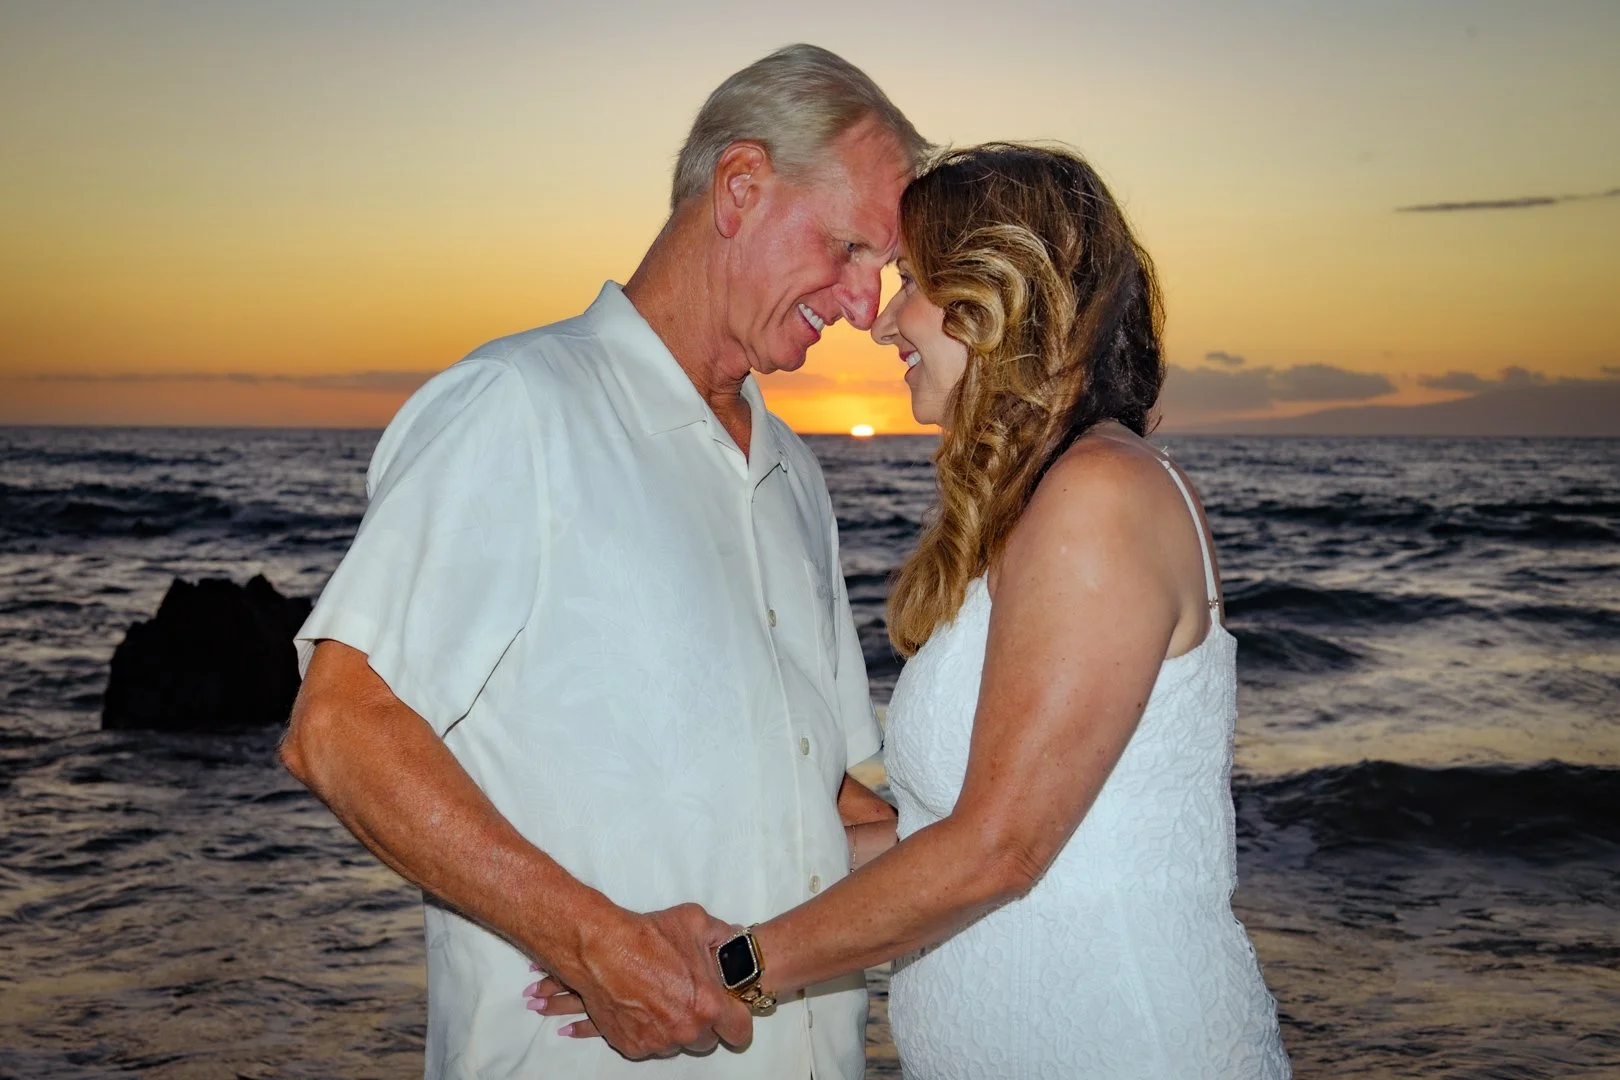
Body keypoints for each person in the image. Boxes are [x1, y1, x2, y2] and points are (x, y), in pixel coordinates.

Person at [533, 144, 1292, 1077]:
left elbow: (997, 850)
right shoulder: (1042, 507)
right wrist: (644, 930)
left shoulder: (1100, 496)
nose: (885, 320)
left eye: (913, 285)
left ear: (994, 295)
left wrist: (727, 973)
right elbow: (931, 836)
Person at [277, 44, 928, 1079]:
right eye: (849, 249)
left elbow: (832, 806)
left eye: (880, 271)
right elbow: (341, 726)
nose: (862, 304)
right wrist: (593, 941)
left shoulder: (796, 475)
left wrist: (1026, 847)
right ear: (742, 187)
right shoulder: (517, 408)